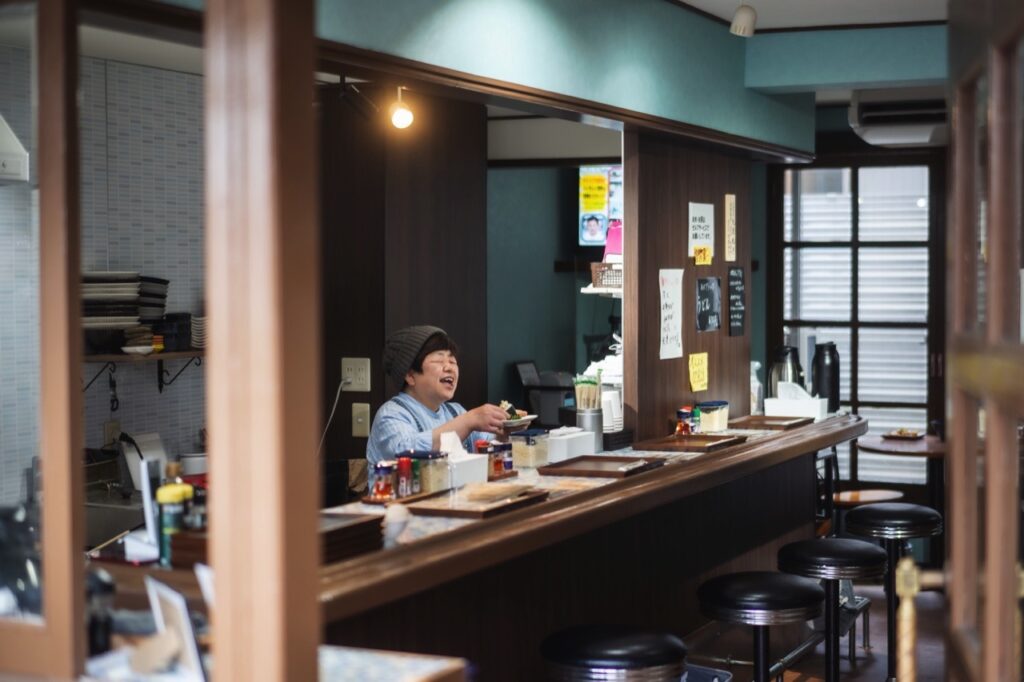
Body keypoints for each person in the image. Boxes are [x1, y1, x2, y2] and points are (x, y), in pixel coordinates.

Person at [366, 325, 508, 466]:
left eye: (453, 361)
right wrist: (468, 421)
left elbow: (488, 447)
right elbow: (406, 452)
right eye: (439, 361)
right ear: (410, 375)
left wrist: (505, 430)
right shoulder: (390, 414)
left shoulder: (455, 412)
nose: (450, 367)